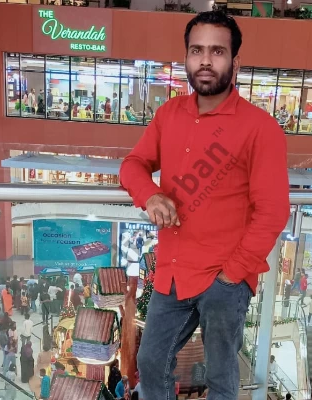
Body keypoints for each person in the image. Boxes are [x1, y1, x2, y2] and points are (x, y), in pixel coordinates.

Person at [120, 10, 290, 400]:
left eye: (217, 51)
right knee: (150, 361)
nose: (206, 61)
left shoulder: (260, 128)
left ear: (235, 62)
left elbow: (272, 211)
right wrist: (150, 195)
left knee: (221, 377)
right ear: (186, 58)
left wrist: (232, 276)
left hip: (225, 276)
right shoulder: (169, 114)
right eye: (197, 51)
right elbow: (133, 165)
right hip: (173, 271)